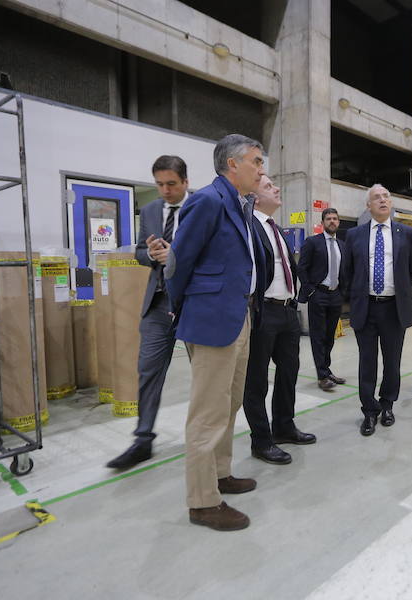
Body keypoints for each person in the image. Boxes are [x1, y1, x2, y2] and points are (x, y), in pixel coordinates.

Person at [165, 133, 265, 531]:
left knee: (230, 402)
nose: (261, 169)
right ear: (232, 165)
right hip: (210, 320)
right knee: (207, 413)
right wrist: (183, 309)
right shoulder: (208, 201)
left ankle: (220, 474)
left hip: (238, 314)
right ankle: (202, 502)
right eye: (256, 161)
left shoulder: (240, 204)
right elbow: (177, 263)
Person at [107, 155, 188, 470]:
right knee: (148, 370)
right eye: (159, 185)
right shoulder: (152, 210)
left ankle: (210, 440)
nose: (165, 191)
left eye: (171, 184)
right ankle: (143, 439)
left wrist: (175, 255)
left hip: (193, 302)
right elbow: (141, 250)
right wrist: (152, 254)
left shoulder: (201, 208)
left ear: (185, 182)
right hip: (158, 302)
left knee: (208, 375)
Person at [243, 175, 315, 466]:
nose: (276, 188)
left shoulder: (276, 228)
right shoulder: (249, 226)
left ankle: (284, 426)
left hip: (287, 310)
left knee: (289, 372)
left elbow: (289, 265)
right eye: (269, 186)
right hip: (263, 310)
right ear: (255, 197)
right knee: (256, 379)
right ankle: (261, 441)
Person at [343, 184, 412, 436]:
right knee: (367, 362)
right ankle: (369, 410)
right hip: (366, 307)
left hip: (393, 308)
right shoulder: (355, 235)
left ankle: (387, 405)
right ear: (368, 206)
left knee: (392, 362)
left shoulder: (406, 233)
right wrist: (355, 298)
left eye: (386, 195)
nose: (382, 200)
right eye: (376, 197)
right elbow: (347, 273)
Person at [298, 208, 346, 392]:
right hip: (318, 294)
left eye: (335, 218)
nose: (332, 221)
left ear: (339, 222)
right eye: (328, 219)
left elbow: (345, 269)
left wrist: (343, 292)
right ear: (323, 222)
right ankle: (322, 376)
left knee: (329, 337)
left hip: (335, 295)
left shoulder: (342, 245)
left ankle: (326, 369)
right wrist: (310, 291)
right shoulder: (312, 242)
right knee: (318, 337)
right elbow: (301, 268)